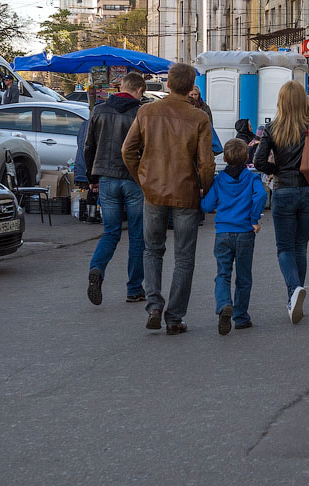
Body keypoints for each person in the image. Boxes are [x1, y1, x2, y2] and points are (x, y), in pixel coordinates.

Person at [122, 62, 214, 335]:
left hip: (153, 191)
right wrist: (203, 190)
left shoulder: (147, 111)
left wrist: (143, 180)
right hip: (186, 192)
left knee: (152, 250)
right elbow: (207, 164)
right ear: (190, 87)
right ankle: (174, 317)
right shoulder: (199, 118)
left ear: (169, 84)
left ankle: (153, 305)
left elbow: (128, 151)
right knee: (184, 257)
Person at [253, 80, 309, 324]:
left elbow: (258, 162)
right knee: (301, 246)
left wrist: (275, 168)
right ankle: (296, 293)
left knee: (284, 248)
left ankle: (293, 290)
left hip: (283, 190)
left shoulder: (273, 127)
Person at [85, 72, 148, 305]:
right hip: (133, 179)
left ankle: (97, 269)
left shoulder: (99, 110)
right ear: (140, 90)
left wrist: (91, 179)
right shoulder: (140, 112)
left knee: (110, 232)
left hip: (106, 178)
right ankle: (134, 289)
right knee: (136, 235)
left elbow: (89, 146)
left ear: (121, 86)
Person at [201, 138, 267, 334]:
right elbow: (261, 196)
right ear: (247, 156)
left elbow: (206, 205)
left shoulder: (219, 180)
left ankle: (223, 304)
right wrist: (254, 218)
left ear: (225, 158)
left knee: (223, 273)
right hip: (245, 231)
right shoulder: (252, 178)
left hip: (223, 232)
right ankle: (241, 316)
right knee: (244, 277)